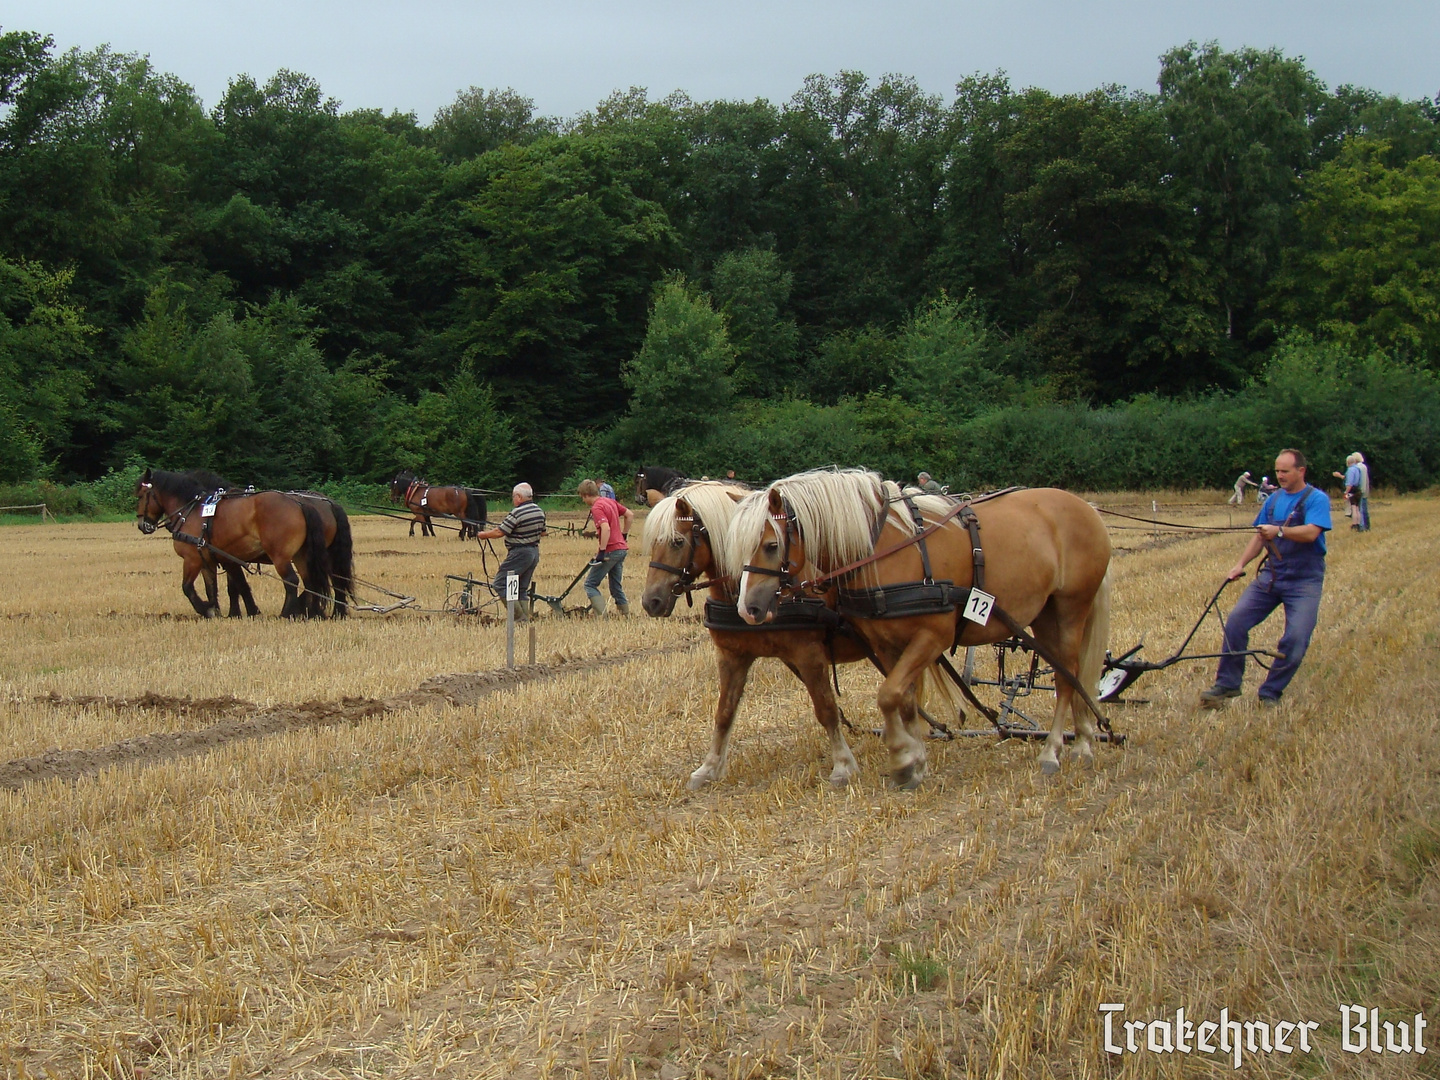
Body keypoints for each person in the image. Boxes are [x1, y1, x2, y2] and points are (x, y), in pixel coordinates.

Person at [1199, 449, 1332, 708]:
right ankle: (1227, 684)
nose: (1280, 476)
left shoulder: (1317, 499)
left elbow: (1311, 533)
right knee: (1236, 622)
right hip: (1271, 575)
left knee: (1295, 638)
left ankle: (1270, 691)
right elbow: (1260, 536)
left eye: (1285, 471)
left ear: (1301, 471)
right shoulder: (1272, 501)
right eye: (1278, 471)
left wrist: (1280, 531)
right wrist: (1239, 565)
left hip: (1304, 580)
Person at [473, 483, 546, 619]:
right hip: (534, 553)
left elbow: (500, 532)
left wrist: (483, 535)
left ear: (519, 497)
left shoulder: (517, 512)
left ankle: (519, 618)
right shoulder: (539, 510)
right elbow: (543, 533)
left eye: (513, 497)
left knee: (500, 584)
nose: (513, 500)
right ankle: (525, 617)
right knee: (521, 589)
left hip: (519, 553)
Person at [578, 478, 633, 616]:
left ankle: (602, 616)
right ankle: (625, 614)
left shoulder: (596, 507)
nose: (583, 501)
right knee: (615, 586)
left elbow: (605, 528)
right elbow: (629, 515)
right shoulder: (610, 501)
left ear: (585, 495)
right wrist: (624, 534)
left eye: (582, 498)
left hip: (611, 550)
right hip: (621, 549)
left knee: (590, 585)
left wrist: (602, 551)